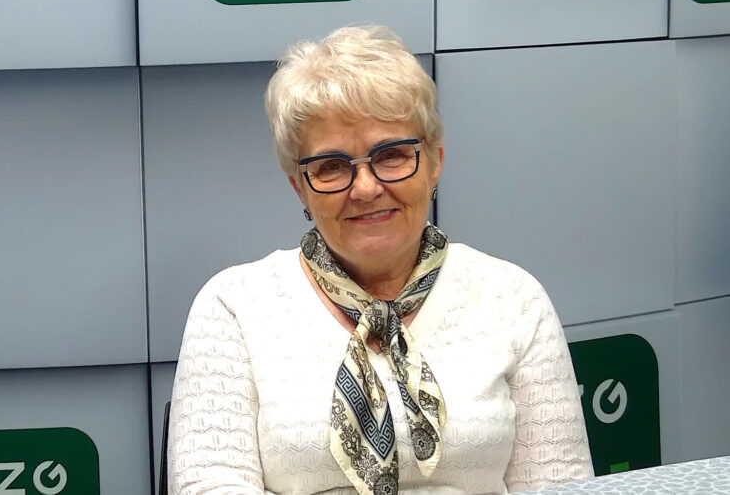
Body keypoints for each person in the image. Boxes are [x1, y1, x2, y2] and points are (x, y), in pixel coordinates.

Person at [168, 25, 593, 495]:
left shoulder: (513, 299)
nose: (366, 188)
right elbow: (210, 486)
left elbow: (562, 487)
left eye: (391, 156)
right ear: (299, 187)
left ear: (435, 163)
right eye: (332, 166)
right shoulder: (233, 307)